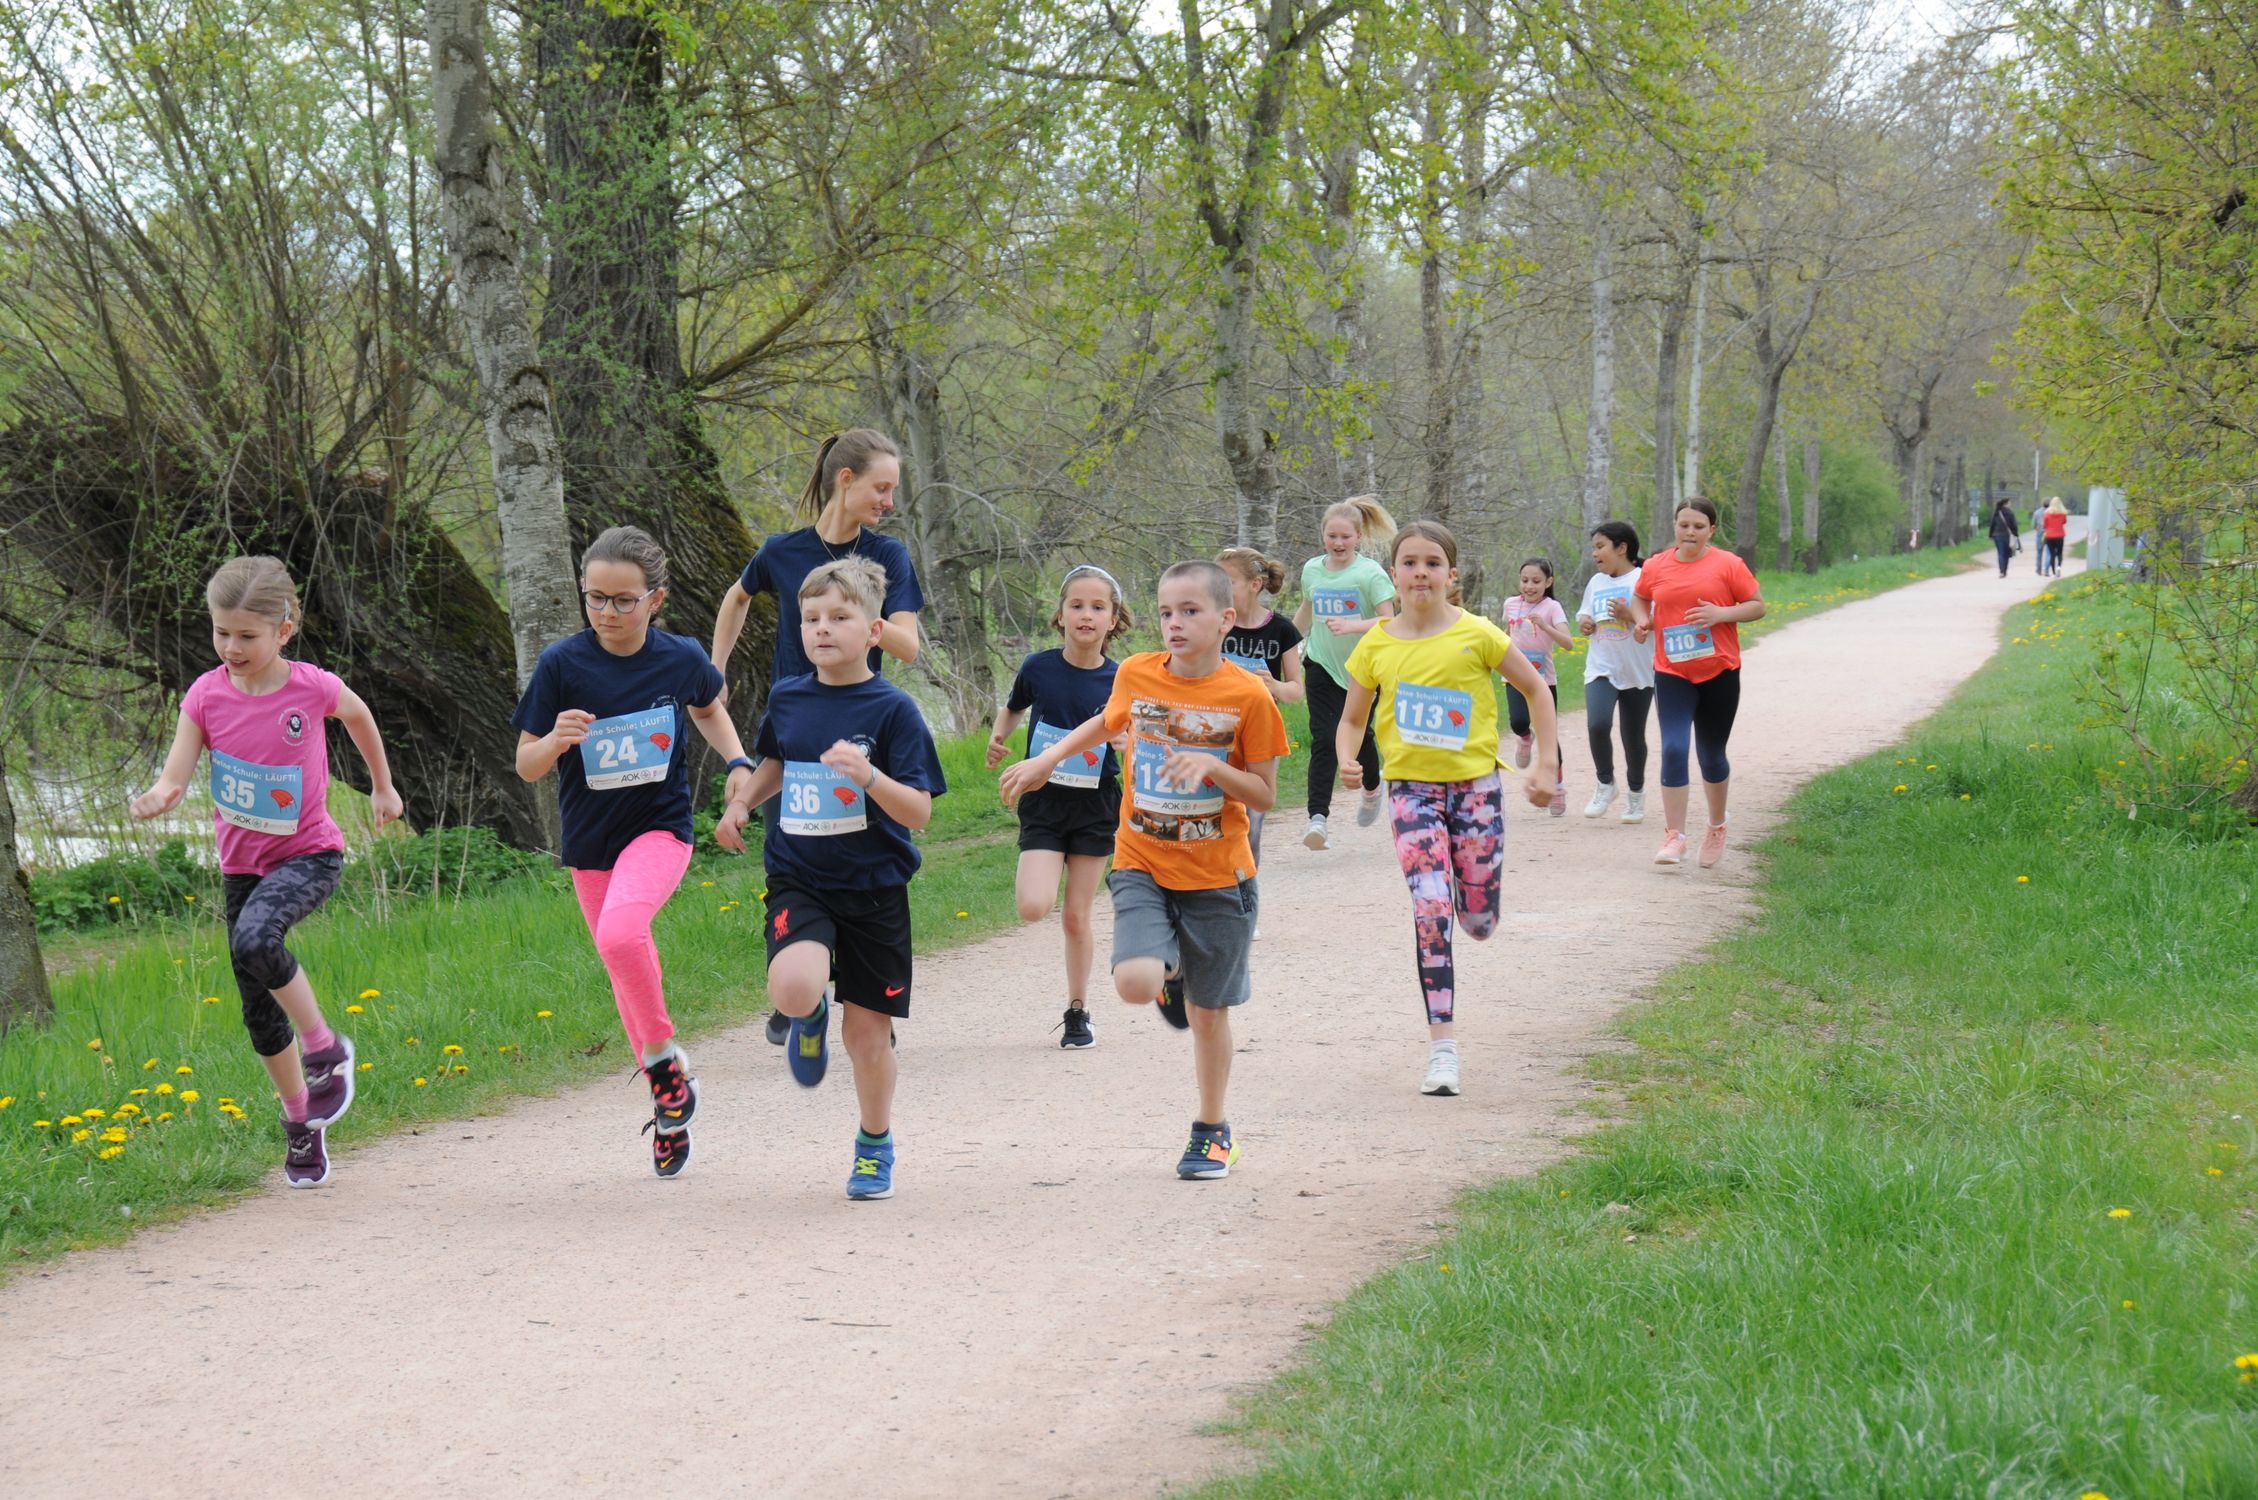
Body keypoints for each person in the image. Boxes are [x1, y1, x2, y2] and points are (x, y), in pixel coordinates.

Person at [1000, 561, 1287, 1181]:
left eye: (1190, 611)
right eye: (1165, 612)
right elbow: (1105, 724)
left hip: (1220, 877)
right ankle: (1169, 970)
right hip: (1142, 862)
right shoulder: (1136, 673)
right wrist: (1047, 759)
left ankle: (1212, 1130)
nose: (1174, 623)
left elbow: (1265, 794)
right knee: (1134, 983)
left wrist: (1213, 769)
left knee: (1208, 1017)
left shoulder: (1248, 696)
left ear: (1226, 619)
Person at [130, 556, 404, 1189]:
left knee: (256, 940)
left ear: (284, 629)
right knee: (257, 1009)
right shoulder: (205, 696)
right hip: (242, 868)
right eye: (221, 632)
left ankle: (325, 1048)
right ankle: (300, 1121)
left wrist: (382, 787)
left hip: (309, 855)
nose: (232, 647)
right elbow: (176, 772)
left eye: (247, 635)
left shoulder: (311, 688)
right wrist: (163, 794)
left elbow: (359, 715)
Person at [512, 527, 758, 1179]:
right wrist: (555, 741)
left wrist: (737, 760)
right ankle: (669, 1103)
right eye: (595, 598)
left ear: (655, 599)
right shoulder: (562, 665)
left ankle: (664, 1065)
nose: (608, 612)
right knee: (620, 965)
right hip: (591, 842)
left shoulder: (679, 658)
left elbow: (708, 706)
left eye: (624, 600)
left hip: (660, 829)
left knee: (622, 936)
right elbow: (527, 764)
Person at [738, 558, 947, 1201]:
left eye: (838, 617)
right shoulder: (788, 697)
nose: (822, 629)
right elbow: (777, 761)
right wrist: (742, 802)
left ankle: (874, 1145)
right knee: (794, 987)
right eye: (810, 619)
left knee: (866, 1036)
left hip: (874, 889)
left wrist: (869, 777)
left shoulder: (894, 711)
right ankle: (808, 1013)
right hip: (799, 877)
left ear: (875, 631)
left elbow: (919, 812)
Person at [711, 428, 925, 1045]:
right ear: (846, 480)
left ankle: (863, 997)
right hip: (793, 726)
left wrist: (862, 616)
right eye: (881, 488)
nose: (888, 501)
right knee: (791, 860)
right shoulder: (782, 551)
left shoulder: (887, 557)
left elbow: (909, 647)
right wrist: (714, 672)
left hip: (860, 730)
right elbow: (736, 598)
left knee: (858, 851)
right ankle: (798, 997)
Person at [1338, 522, 1558, 1097]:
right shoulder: (1376, 644)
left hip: (1476, 791)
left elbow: (1536, 690)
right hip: (1411, 792)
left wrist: (1547, 764)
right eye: (1409, 563)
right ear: (1393, 574)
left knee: (1477, 923)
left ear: (1451, 575)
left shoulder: (1478, 634)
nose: (1420, 573)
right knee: (1431, 907)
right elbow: (1353, 718)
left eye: (1432, 563)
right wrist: (1346, 758)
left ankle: (1476, 901)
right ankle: (1443, 1050)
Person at [987, 565, 1131, 1049]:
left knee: (1076, 915)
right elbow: (1014, 706)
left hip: (1096, 803)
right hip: (1044, 800)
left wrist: (1127, 744)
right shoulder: (1038, 667)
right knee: (1033, 907)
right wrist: (999, 736)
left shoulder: (1121, 678)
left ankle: (1077, 1011)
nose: (1086, 615)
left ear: (1113, 620)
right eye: (1077, 605)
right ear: (1061, 614)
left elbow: (1132, 732)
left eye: (1098, 607)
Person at [1627, 498, 1766, 870]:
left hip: (1719, 671)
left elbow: (1757, 605)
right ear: (1675, 526)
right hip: (1672, 672)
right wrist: (1642, 620)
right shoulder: (1656, 565)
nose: (1690, 532)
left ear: (1711, 530)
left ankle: (1717, 825)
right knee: (1674, 747)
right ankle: (1675, 836)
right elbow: (1640, 597)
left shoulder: (1728, 564)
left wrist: (1721, 614)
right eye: (1684, 524)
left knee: (1711, 755)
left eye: (1699, 526)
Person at [1293, 496, 1396, 849]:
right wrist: (1286, 644)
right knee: (1324, 738)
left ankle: (1372, 787)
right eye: (1332, 536)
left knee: (1359, 733)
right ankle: (1317, 820)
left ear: (1359, 537)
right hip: (1321, 662)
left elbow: (1388, 620)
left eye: (1345, 537)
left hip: (1363, 668)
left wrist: (1353, 626)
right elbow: (1306, 609)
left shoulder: (1370, 574)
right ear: (1322, 535)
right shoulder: (1312, 570)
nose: (1338, 543)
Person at [1216, 546, 1305, 881]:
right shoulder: (1214, 624)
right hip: (1215, 731)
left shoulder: (1282, 630)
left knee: (1252, 820)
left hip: (1260, 736)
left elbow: (1296, 690)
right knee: (1214, 812)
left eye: (1228, 582)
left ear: (1255, 585)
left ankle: (1245, 890)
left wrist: (1273, 685)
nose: (1219, 590)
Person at [1575, 522, 1654, 823]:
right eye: (1593, 547)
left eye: (1600, 546)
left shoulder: (1643, 579)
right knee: (1597, 724)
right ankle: (1605, 783)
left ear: (1622, 548)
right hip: (1601, 666)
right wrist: (1584, 623)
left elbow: (1657, 619)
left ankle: (1635, 793)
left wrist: (1629, 615)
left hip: (1637, 670)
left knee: (1632, 737)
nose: (1595, 553)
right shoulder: (1596, 582)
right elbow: (1585, 612)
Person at [1502, 557, 1575, 817]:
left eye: (1536, 581)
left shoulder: (1552, 607)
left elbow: (1568, 643)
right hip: (1514, 674)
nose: (1529, 586)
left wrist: (1544, 626)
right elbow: (1506, 635)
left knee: (1549, 736)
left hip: (1544, 680)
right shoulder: (1511, 604)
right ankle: (1525, 737)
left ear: (1548, 582)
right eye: (1524, 580)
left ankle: (1557, 786)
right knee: (1518, 721)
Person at [1987, 495, 2022, 578]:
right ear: (2005, 504)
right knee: (2007, 553)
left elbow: (1992, 525)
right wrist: (2016, 534)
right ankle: (2004, 570)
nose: (2010, 504)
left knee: (2000, 553)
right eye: (2009, 503)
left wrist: (1990, 535)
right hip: (2007, 536)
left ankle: (2001, 571)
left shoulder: (1997, 513)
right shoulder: (2010, 513)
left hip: (1997, 535)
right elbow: (2014, 525)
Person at [2043, 495, 2069, 575]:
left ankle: (2053, 572)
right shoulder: (2063, 514)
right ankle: (2059, 567)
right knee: (2059, 553)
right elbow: (2064, 522)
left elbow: (2045, 525)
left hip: (2049, 536)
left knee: (2052, 554)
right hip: (2060, 535)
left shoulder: (2047, 513)